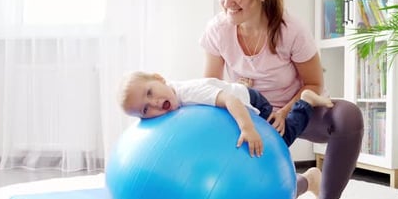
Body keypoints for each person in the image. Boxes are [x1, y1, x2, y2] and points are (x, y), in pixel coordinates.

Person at [199, 0, 364, 199]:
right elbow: (211, 86)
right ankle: (307, 181)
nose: (228, 2)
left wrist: (287, 111)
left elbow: (314, 82)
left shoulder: (290, 29)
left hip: (299, 109)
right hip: (254, 114)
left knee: (347, 117)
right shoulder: (218, 29)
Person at [118, 71, 333, 156]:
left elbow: (231, 100)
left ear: (159, 78)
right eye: (145, 110)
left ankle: (305, 101)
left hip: (251, 103)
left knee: (278, 142)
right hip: (231, 99)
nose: (155, 103)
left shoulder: (190, 93)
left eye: (150, 92)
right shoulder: (168, 108)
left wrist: (248, 128)